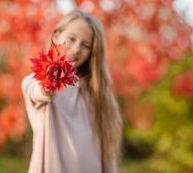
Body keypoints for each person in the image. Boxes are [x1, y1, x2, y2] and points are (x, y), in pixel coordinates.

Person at [21, 9, 123, 173]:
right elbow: (38, 92)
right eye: (71, 39)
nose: (76, 49)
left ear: (92, 53)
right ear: (56, 37)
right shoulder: (35, 81)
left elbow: (107, 155)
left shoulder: (96, 92)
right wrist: (49, 84)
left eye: (86, 45)